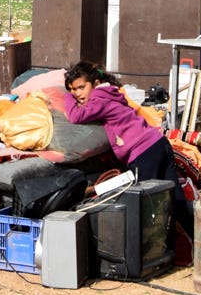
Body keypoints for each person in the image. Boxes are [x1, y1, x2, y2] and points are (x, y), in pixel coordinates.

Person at [63, 60, 194, 239]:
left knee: (147, 204)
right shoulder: (112, 94)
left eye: (80, 87)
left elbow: (75, 116)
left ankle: (152, 250)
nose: (77, 94)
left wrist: (66, 96)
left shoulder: (99, 98)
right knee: (175, 199)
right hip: (158, 143)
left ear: (95, 83)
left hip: (144, 152)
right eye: (73, 89)